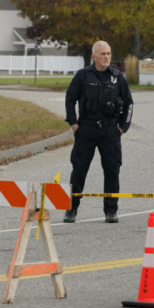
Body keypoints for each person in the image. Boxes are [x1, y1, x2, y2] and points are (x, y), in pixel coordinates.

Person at [64, 41, 133, 223]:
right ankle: (71, 209)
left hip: (110, 131)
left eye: (109, 53)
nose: (106, 57)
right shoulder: (82, 76)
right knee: (79, 169)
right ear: (93, 56)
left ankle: (111, 211)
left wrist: (122, 127)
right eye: (102, 54)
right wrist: (73, 124)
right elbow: (70, 99)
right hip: (86, 129)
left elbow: (129, 103)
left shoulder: (118, 78)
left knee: (112, 170)